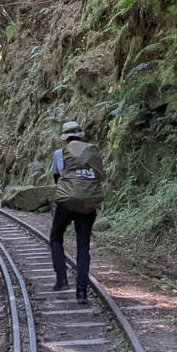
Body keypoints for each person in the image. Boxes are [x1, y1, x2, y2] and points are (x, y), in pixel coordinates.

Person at [49, 121, 105, 305]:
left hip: (66, 202)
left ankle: (62, 280)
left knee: (56, 236)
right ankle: (81, 292)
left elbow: (58, 178)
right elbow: (100, 175)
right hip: (88, 202)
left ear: (65, 137)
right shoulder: (91, 151)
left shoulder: (60, 153)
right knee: (83, 246)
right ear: (81, 135)